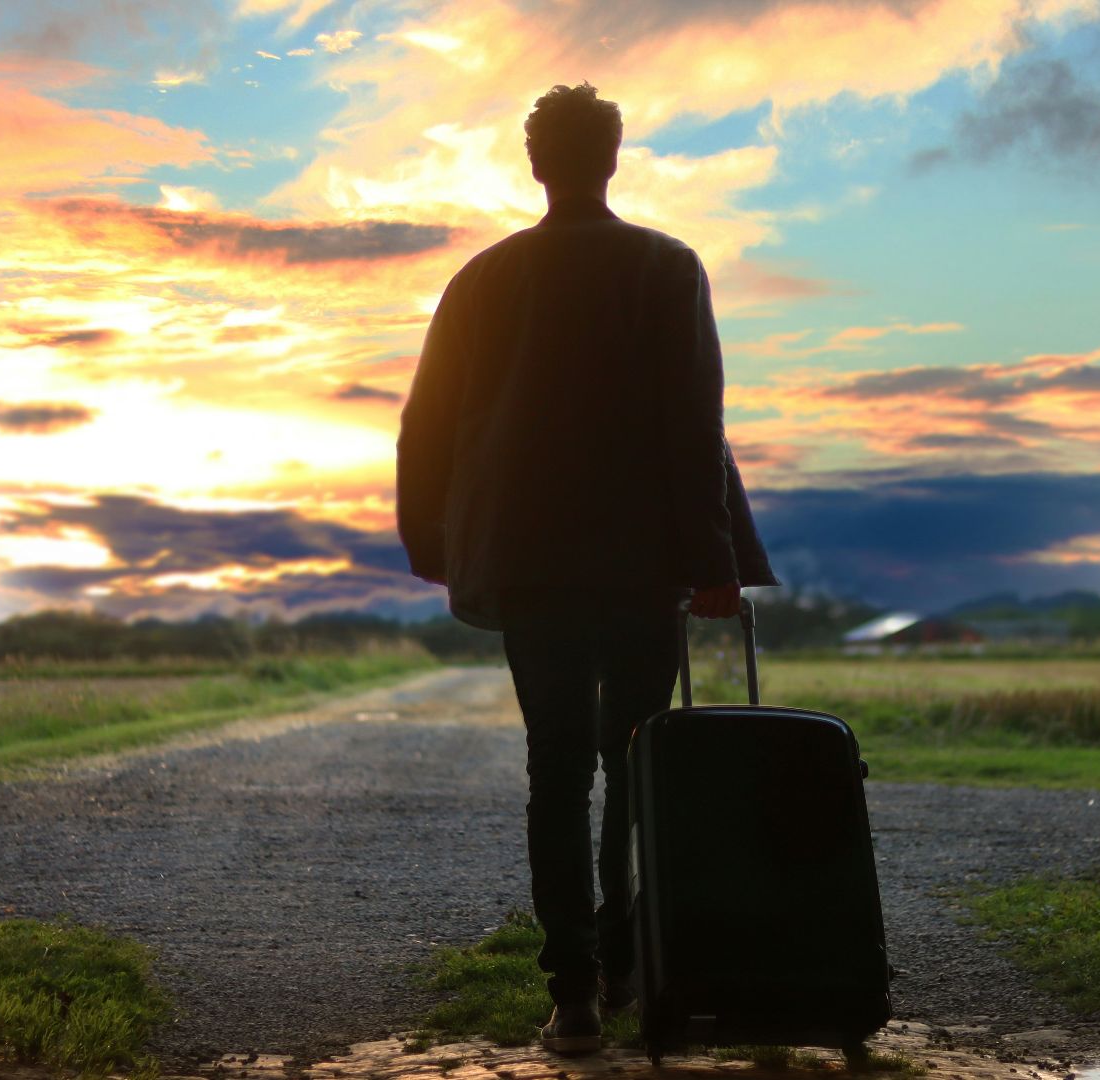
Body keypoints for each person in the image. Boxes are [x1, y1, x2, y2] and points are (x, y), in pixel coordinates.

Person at [396, 82, 777, 1055]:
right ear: (612, 159)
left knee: (555, 771)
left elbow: (426, 424)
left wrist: (437, 546)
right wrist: (712, 563)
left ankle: (573, 995)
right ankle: (627, 963)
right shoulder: (665, 267)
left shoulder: (483, 279)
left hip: (529, 564)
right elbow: (695, 429)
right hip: (641, 561)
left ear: (537, 164)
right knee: (635, 762)